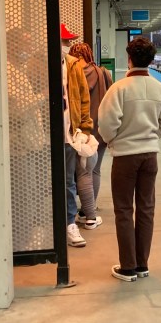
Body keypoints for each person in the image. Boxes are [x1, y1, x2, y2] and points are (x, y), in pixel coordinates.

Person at [98, 36, 161, 281]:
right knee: (146, 209)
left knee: (123, 210)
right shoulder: (160, 89)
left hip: (124, 157)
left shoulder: (118, 88)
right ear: (151, 60)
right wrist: (151, 137)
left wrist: (114, 140)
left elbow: (107, 123)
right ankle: (142, 264)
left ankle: (127, 266)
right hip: (150, 156)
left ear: (129, 59)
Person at [6, 27, 49, 251]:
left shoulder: (19, 69)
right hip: (16, 144)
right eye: (26, 43)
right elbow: (18, 107)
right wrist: (43, 95)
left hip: (29, 141)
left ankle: (23, 238)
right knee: (22, 195)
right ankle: (19, 246)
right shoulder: (6, 70)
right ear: (12, 45)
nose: (29, 49)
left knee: (29, 191)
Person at [60, 23, 96, 248]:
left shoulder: (73, 66)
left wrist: (84, 128)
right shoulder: (37, 64)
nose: (67, 45)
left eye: (67, 42)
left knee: (68, 181)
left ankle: (70, 223)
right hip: (42, 135)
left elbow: (84, 99)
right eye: (64, 41)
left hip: (69, 134)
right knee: (41, 183)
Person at [69, 41, 112, 208]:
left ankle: (76, 207)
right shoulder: (101, 73)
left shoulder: (71, 75)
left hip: (77, 130)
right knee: (94, 170)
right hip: (98, 130)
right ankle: (90, 207)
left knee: (75, 172)